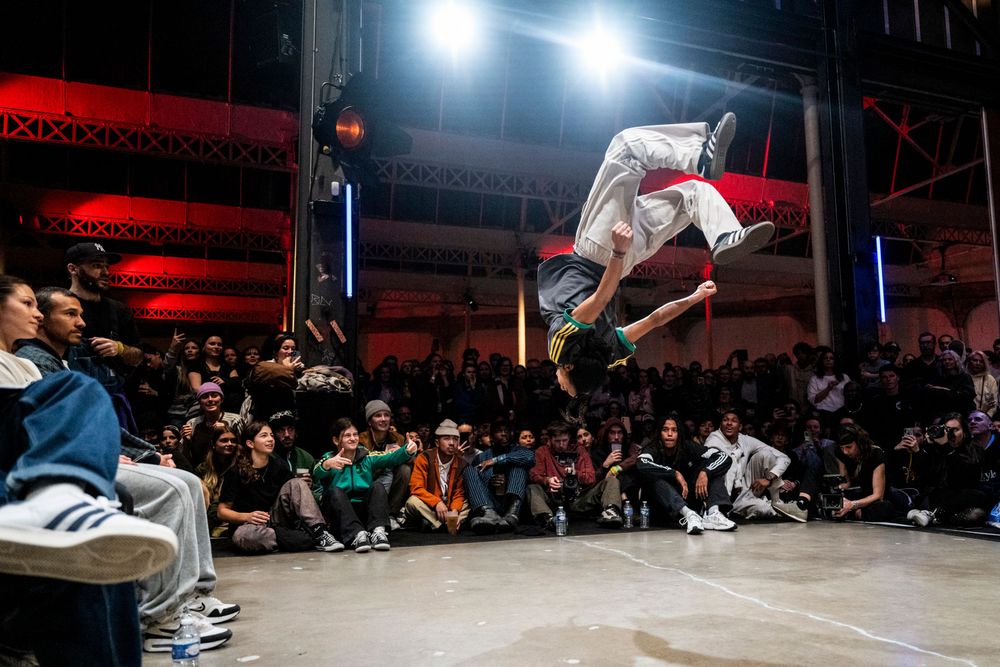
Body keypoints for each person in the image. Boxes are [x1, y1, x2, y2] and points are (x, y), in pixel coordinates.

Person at [0, 275, 178, 666]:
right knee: (78, 389)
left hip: (31, 462)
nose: (37, 315)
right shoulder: (33, 365)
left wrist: (142, 454)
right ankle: (56, 496)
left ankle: (62, 500)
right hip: (16, 464)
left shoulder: (25, 365)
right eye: (27, 303)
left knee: (105, 542)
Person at [538, 116, 774, 399]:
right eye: (565, 386)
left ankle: (724, 235)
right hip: (601, 249)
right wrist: (618, 250)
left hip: (622, 261)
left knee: (690, 197)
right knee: (625, 148)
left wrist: (695, 297)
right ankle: (700, 154)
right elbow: (600, 298)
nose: (559, 383)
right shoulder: (561, 350)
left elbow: (655, 319)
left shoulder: (610, 355)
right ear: (569, 368)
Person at [217, 421, 341, 554]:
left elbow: (292, 491)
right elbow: (222, 512)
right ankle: (298, 539)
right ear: (250, 443)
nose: (270, 439)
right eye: (264, 435)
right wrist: (247, 517)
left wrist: (304, 486)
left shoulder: (277, 464)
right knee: (246, 537)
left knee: (297, 483)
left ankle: (320, 532)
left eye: (271, 435)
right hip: (249, 526)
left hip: (275, 520)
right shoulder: (236, 471)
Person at [313, 418, 417, 552]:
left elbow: (390, 458)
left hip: (363, 513)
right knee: (335, 491)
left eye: (355, 434)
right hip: (340, 516)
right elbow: (316, 473)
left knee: (377, 486)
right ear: (336, 440)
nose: (353, 438)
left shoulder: (366, 457)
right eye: (347, 435)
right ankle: (356, 535)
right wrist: (327, 465)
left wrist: (407, 451)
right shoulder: (329, 458)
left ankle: (377, 532)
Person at [636, 415, 736, 534]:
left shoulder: (687, 446)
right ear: (659, 433)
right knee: (653, 478)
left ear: (679, 434)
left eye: (674, 430)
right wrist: (674, 473)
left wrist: (705, 472)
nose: (669, 434)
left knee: (712, 469)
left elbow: (723, 457)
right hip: (661, 509)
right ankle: (688, 514)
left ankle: (713, 513)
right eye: (665, 430)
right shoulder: (653, 448)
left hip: (688, 501)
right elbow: (641, 463)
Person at [704, 409, 803, 522]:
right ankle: (724, 510)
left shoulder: (744, 440)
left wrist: (769, 479)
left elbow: (784, 458)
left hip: (743, 493)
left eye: (734, 421)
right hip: (721, 495)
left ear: (740, 427)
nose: (729, 423)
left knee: (766, 455)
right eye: (725, 420)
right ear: (720, 425)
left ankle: (777, 503)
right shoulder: (714, 439)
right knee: (763, 509)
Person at [526, 421, 624, 528]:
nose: (561, 445)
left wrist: (575, 473)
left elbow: (591, 478)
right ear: (550, 440)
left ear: (569, 438)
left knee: (612, 480)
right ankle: (547, 518)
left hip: (579, 497)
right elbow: (534, 475)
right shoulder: (542, 451)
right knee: (532, 488)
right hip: (554, 498)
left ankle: (611, 512)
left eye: (564, 440)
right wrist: (547, 480)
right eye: (557, 441)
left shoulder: (579, 450)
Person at [463, 419, 535, 533]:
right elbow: (475, 482)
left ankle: (512, 514)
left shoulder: (519, 450)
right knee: (469, 470)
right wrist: (489, 481)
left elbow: (530, 457)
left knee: (519, 466)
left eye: (506, 431)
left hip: (514, 502)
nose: (503, 433)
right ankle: (489, 513)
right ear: (491, 436)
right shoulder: (482, 457)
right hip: (490, 502)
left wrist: (496, 460)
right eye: (499, 431)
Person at [404, 420, 470, 532]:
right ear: (437, 442)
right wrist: (436, 503)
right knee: (412, 502)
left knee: (469, 502)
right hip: (430, 505)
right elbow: (416, 488)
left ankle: (435, 523)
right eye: (446, 438)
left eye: (455, 439)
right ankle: (446, 524)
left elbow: (459, 493)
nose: (452, 443)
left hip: (450, 506)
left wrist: (455, 510)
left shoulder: (461, 463)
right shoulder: (425, 458)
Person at [358, 399, 412, 525]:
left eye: (386, 415)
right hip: (371, 481)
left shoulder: (398, 437)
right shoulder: (361, 439)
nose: (383, 419)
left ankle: (392, 513)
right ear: (369, 421)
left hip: (392, 482)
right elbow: (362, 465)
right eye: (378, 415)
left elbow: (413, 461)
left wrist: (404, 453)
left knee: (405, 469)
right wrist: (387, 456)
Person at [831, 424, 895, 522]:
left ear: (859, 443)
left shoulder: (876, 454)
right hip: (857, 496)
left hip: (874, 499)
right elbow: (846, 482)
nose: (845, 452)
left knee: (883, 507)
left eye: (849, 447)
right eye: (842, 448)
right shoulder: (841, 453)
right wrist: (838, 492)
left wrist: (853, 505)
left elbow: (878, 495)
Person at [180, 382, 243, 467]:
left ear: (221, 399)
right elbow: (184, 456)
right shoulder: (192, 423)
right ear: (200, 402)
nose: (210, 399)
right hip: (200, 469)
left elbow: (244, 449)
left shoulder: (234, 420)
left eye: (214, 395)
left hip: (230, 468)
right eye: (205, 397)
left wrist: (226, 431)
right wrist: (187, 442)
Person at [269, 410, 316, 476]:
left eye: (290, 429)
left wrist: (311, 482)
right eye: (280, 430)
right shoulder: (267, 457)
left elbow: (317, 482)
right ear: (273, 434)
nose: (287, 435)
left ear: (296, 433)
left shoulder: (306, 458)